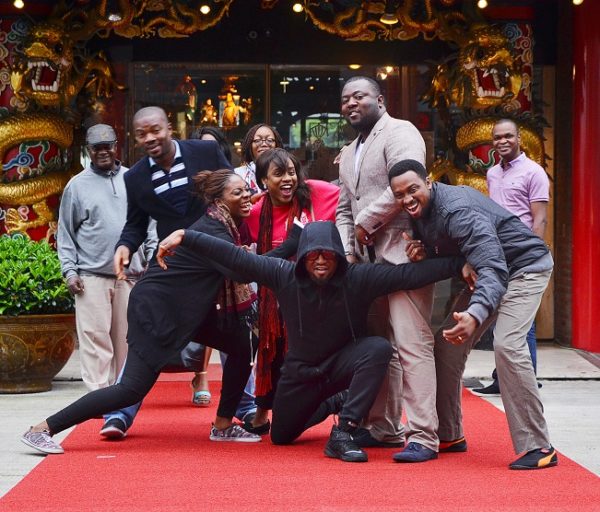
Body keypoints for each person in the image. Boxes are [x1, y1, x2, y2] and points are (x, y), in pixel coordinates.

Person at [20, 170, 301, 455]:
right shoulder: (212, 230)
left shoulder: (222, 225)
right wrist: (292, 243)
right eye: (237, 193)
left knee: (240, 345)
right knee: (130, 390)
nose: (246, 197)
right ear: (218, 200)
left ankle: (223, 424)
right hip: (158, 313)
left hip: (188, 311)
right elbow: (247, 267)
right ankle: (43, 428)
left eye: (246, 190)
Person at [155, 221, 470, 463]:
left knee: (377, 349)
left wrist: (458, 265)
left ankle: (343, 431)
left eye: (327, 254)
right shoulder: (284, 275)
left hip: (342, 364)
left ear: (337, 255)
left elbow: (408, 276)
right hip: (301, 374)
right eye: (313, 254)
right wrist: (186, 235)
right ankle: (336, 403)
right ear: (302, 256)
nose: (320, 260)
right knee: (281, 436)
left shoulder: (358, 278)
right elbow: (237, 259)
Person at [387, 159, 557, 470]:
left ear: (429, 182)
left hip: (525, 269)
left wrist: (476, 314)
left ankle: (539, 446)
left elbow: (493, 267)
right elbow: (461, 250)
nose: (407, 199)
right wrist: (426, 250)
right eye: (400, 195)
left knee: (507, 345)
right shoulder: (419, 213)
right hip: (487, 272)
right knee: (446, 346)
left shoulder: (457, 208)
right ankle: (450, 435)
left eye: (413, 190)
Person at [102, 106, 231, 437]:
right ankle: (119, 414)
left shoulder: (205, 150)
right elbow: (135, 223)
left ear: (169, 127)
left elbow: (232, 192)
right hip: (174, 267)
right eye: (142, 134)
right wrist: (124, 246)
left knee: (236, 332)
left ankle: (242, 408)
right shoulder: (135, 177)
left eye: (155, 130)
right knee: (147, 336)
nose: (150, 138)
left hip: (218, 258)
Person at [336, 75, 438, 462]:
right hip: (365, 264)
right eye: (345, 99)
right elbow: (343, 209)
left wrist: (365, 222)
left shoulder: (401, 132)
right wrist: (348, 250)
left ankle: (424, 434)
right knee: (379, 349)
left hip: (405, 254)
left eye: (359, 96)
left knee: (412, 344)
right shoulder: (348, 152)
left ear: (379, 99)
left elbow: (405, 187)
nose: (350, 103)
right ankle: (385, 426)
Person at [243, 148, 340, 435]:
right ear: (263, 182)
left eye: (291, 172)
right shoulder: (255, 213)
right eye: (278, 174)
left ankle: (331, 404)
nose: (288, 179)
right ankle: (261, 413)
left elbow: (350, 198)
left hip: (317, 298)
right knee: (270, 353)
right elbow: (251, 259)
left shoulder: (317, 193)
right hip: (274, 302)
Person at [57, 124, 156, 391]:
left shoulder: (133, 179)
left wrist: (151, 260)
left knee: (127, 341)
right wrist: (70, 272)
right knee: (95, 340)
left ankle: (121, 397)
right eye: (96, 147)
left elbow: (150, 227)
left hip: (131, 276)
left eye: (107, 146)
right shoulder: (76, 186)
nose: (102, 152)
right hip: (91, 277)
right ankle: (98, 397)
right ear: (88, 150)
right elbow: (65, 235)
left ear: (117, 145)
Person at [472, 118, 550, 396]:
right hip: (498, 253)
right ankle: (502, 378)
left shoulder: (534, 172)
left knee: (522, 322)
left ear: (519, 139)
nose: (502, 141)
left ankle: (526, 381)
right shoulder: (492, 173)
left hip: (524, 255)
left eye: (508, 136)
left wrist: (532, 254)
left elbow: (539, 220)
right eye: (497, 137)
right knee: (502, 319)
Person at [234, 123, 283, 196]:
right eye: (257, 140)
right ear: (249, 145)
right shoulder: (237, 174)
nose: (264, 144)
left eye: (269, 140)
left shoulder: (286, 172)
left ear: (277, 144)